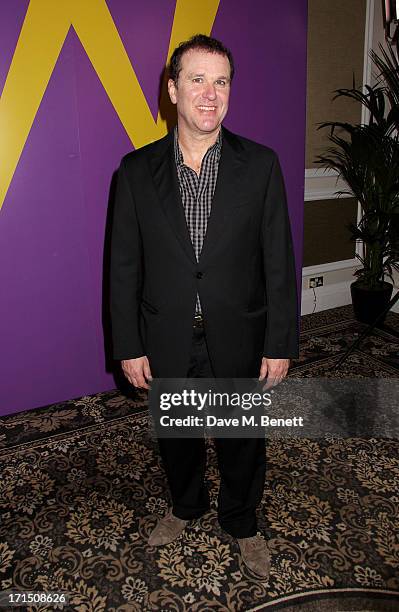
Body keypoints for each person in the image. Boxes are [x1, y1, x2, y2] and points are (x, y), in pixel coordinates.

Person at [110, 34, 299, 579]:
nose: (210, 94)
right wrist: (129, 345)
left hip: (238, 334)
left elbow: (278, 264)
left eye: (221, 82)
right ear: (172, 90)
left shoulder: (260, 166)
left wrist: (279, 342)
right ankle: (185, 505)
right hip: (166, 335)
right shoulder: (135, 173)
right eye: (197, 80)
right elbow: (123, 268)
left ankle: (241, 521)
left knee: (243, 440)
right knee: (177, 436)